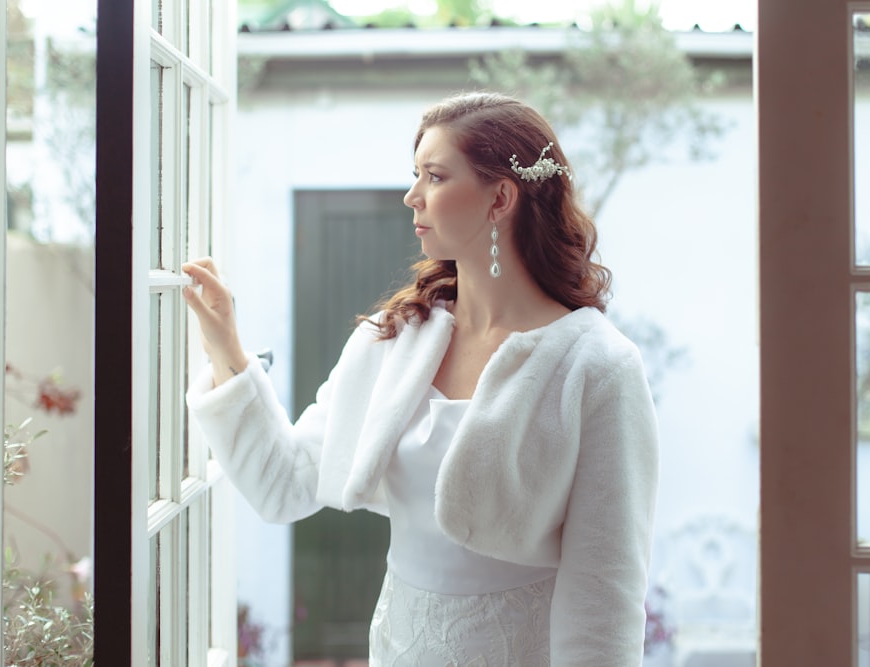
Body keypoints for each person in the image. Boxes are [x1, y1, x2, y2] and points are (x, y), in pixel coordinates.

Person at [182, 91, 659, 666]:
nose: (412, 196)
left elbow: (605, 593)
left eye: (434, 177)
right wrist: (224, 347)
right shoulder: (395, 339)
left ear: (500, 197)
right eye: (416, 175)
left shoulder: (597, 365)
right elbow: (283, 482)